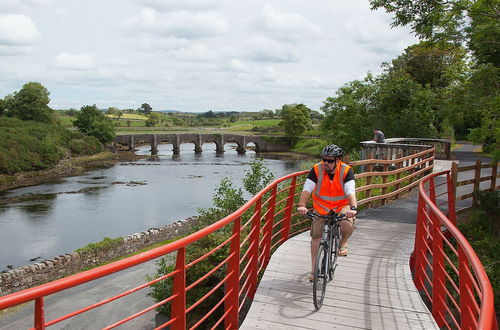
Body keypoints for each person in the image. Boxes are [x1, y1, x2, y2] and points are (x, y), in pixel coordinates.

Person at [297, 144, 358, 282]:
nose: (326, 163)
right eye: (324, 159)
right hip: (321, 207)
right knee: (316, 236)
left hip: (341, 205)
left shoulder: (346, 170)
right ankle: (314, 270)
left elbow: (350, 191)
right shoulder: (316, 169)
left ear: (338, 160)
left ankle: (343, 243)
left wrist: (353, 208)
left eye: (330, 160)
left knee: (346, 225)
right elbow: (307, 188)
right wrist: (302, 205)